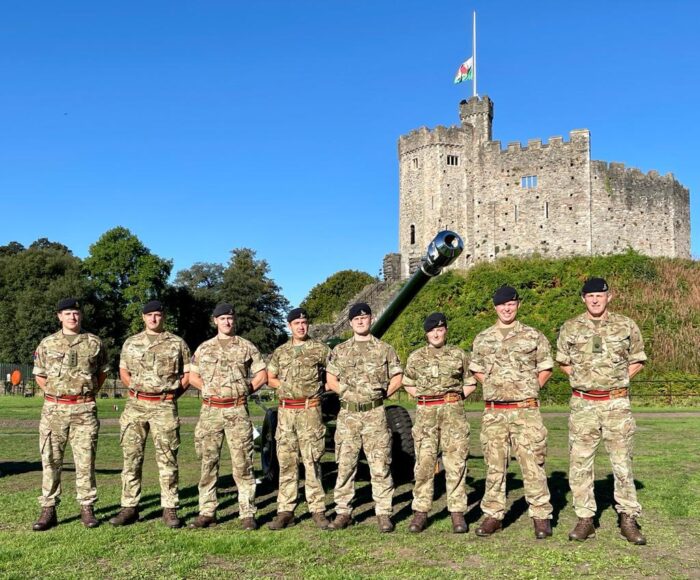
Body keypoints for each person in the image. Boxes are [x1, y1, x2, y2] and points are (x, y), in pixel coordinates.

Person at [556, 277, 647, 544]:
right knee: (580, 463)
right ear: (583, 298)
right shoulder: (571, 327)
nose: (595, 299)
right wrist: (585, 380)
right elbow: (563, 361)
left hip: (616, 405)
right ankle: (585, 518)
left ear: (610, 296)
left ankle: (628, 517)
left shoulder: (625, 324)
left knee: (622, 464)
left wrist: (619, 382)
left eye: (600, 295)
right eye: (589, 295)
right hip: (583, 404)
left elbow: (638, 359)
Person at [470, 286, 554, 539]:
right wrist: (496, 386)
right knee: (494, 464)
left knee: (533, 463)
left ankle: (540, 515)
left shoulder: (533, 335)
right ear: (495, 307)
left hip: (525, 410)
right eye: (502, 304)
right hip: (495, 412)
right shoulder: (483, 338)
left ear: (518, 305)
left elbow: (546, 367)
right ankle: (493, 514)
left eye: (511, 304)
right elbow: (476, 369)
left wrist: (528, 388)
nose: (507, 308)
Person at [109, 300, 191, 529]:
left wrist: (172, 395)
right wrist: (134, 388)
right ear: (143, 317)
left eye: (157, 315)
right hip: (135, 406)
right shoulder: (132, 342)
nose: (153, 319)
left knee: (167, 458)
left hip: (164, 406)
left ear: (163, 316)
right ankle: (129, 507)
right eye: (149, 315)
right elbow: (123, 370)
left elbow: (188, 373)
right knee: (131, 458)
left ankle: (170, 507)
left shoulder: (176, 343)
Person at [31, 297, 109, 531]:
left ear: (81, 315)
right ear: (59, 316)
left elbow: (102, 373)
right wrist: (56, 395)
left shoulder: (94, 343)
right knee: (51, 460)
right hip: (54, 411)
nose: (72, 317)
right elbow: (40, 375)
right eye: (67, 313)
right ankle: (48, 508)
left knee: (85, 461)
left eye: (76, 313)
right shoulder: (47, 344)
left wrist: (86, 393)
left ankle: (87, 507)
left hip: (84, 410)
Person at [188, 303, 267, 530]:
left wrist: (245, 390)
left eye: (230, 318)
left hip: (237, 410)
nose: (227, 322)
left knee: (243, 463)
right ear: (215, 321)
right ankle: (207, 511)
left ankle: (247, 513)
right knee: (208, 462)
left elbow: (262, 374)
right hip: (210, 411)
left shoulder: (246, 347)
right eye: (222, 318)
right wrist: (207, 389)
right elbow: (192, 376)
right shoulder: (204, 348)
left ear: (235, 320)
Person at [325, 302, 403, 532]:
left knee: (380, 465)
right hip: (348, 414)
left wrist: (379, 396)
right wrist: (347, 393)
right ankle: (343, 512)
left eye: (365, 317)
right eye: (356, 319)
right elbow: (331, 380)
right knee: (346, 465)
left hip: (375, 414)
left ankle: (384, 513)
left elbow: (397, 376)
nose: (361, 321)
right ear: (350, 323)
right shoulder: (340, 350)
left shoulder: (384, 349)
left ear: (370, 319)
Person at [402, 312, 475, 534]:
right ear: (426, 333)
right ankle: (421, 512)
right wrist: (425, 399)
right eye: (432, 330)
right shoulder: (416, 357)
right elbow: (408, 383)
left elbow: (470, 382)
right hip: (426, 414)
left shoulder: (458, 354)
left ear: (445, 331)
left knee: (455, 462)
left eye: (440, 329)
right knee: (424, 463)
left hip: (453, 412)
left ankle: (457, 512)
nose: (436, 333)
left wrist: (453, 399)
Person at [266, 307, 331, 530]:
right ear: (290, 326)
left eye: (304, 322)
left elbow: (333, 374)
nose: (301, 326)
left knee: (312, 460)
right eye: (296, 323)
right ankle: (286, 510)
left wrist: (325, 387)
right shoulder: (281, 352)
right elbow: (270, 376)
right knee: (286, 461)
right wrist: (283, 386)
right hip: (286, 413)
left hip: (310, 410)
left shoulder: (320, 349)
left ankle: (317, 509)